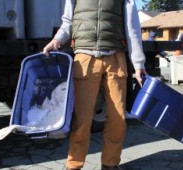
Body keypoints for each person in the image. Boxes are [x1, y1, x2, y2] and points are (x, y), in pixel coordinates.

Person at [43, 0, 146, 170]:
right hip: (84, 59)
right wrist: (56, 41)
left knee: (118, 118)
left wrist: (139, 64)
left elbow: (132, 29)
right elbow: (67, 22)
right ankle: (73, 165)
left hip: (115, 59)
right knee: (81, 119)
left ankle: (110, 164)